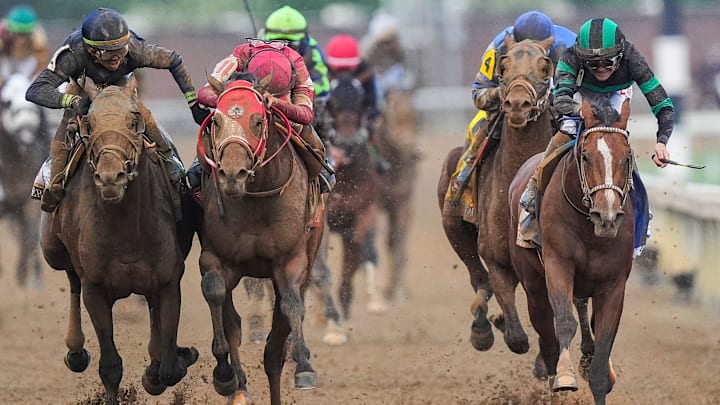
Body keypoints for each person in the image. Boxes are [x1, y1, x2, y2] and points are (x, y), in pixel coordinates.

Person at [25, 7, 203, 213]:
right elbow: (36, 90)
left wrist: (192, 102)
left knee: (142, 115)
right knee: (69, 125)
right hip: (82, 87)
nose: (118, 58)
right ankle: (54, 183)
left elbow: (174, 60)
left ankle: (170, 164)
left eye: (122, 51)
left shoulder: (135, 49)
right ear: (91, 51)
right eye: (110, 54)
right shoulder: (73, 54)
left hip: (120, 86)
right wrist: (71, 101)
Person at [517, 17, 675, 246]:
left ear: (620, 56)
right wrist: (581, 110)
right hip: (580, 98)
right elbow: (559, 100)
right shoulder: (571, 56)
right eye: (593, 64)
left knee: (620, 152)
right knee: (561, 137)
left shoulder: (632, 57)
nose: (601, 68)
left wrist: (662, 142)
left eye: (608, 62)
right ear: (583, 58)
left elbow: (663, 105)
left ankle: (640, 219)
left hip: (617, 97)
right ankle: (532, 198)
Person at [445, 10, 576, 217]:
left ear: (549, 46)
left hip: (554, 99)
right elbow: (478, 94)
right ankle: (465, 176)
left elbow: (581, 95)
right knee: (478, 125)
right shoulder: (498, 48)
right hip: (507, 101)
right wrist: (502, 93)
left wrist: (555, 100)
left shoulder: (569, 48)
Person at [194, 37, 335, 193]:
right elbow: (204, 92)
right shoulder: (242, 53)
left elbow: (306, 114)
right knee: (212, 130)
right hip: (242, 108)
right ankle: (198, 172)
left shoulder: (296, 60)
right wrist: (240, 100)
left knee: (311, 138)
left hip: (283, 112)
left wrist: (276, 102)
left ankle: (320, 172)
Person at [262, 5, 333, 142]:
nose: (285, 48)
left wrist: (298, 90)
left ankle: (323, 153)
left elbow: (323, 88)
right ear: (266, 38)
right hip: (267, 98)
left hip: (301, 101)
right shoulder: (254, 48)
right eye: (277, 42)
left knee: (319, 109)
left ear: (304, 40)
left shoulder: (314, 53)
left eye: (291, 43)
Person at [324, 33, 389, 173]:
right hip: (332, 116)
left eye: (348, 68)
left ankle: (377, 157)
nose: (344, 72)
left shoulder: (366, 71)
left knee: (375, 127)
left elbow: (372, 100)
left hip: (359, 115)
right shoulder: (322, 70)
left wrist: (370, 115)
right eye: (339, 69)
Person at [361, 12, 416, 100]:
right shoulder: (369, 49)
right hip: (377, 77)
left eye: (392, 41)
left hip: (395, 77)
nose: (390, 45)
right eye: (386, 42)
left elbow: (406, 67)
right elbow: (365, 66)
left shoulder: (401, 48)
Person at [0, 5, 49, 81]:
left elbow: (42, 64)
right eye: (17, 34)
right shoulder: (2, 36)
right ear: (9, 30)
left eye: (25, 34)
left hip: (26, 63)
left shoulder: (38, 39)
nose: (21, 40)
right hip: (6, 61)